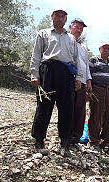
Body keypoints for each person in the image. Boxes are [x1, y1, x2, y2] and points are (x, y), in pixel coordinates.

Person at [30, 6, 83, 158]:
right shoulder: (43, 33)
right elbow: (36, 56)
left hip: (67, 74)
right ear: (52, 17)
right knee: (44, 106)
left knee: (67, 108)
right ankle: (39, 142)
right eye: (57, 16)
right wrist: (35, 75)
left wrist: (78, 78)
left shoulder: (71, 38)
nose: (60, 19)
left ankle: (64, 144)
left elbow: (76, 60)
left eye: (63, 16)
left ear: (66, 20)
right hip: (48, 70)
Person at [87, 40, 109, 153]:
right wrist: (89, 88)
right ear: (99, 49)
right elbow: (88, 75)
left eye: (108, 48)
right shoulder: (93, 60)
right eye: (104, 48)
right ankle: (94, 142)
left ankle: (105, 142)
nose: (106, 50)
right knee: (96, 114)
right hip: (97, 89)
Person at [68, 18, 92, 151]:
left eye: (81, 29)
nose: (78, 30)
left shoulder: (83, 47)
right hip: (70, 80)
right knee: (68, 109)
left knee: (80, 111)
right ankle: (66, 138)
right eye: (77, 27)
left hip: (82, 82)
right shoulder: (66, 41)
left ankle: (75, 139)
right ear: (71, 26)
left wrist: (89, 81)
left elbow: (86, 65)